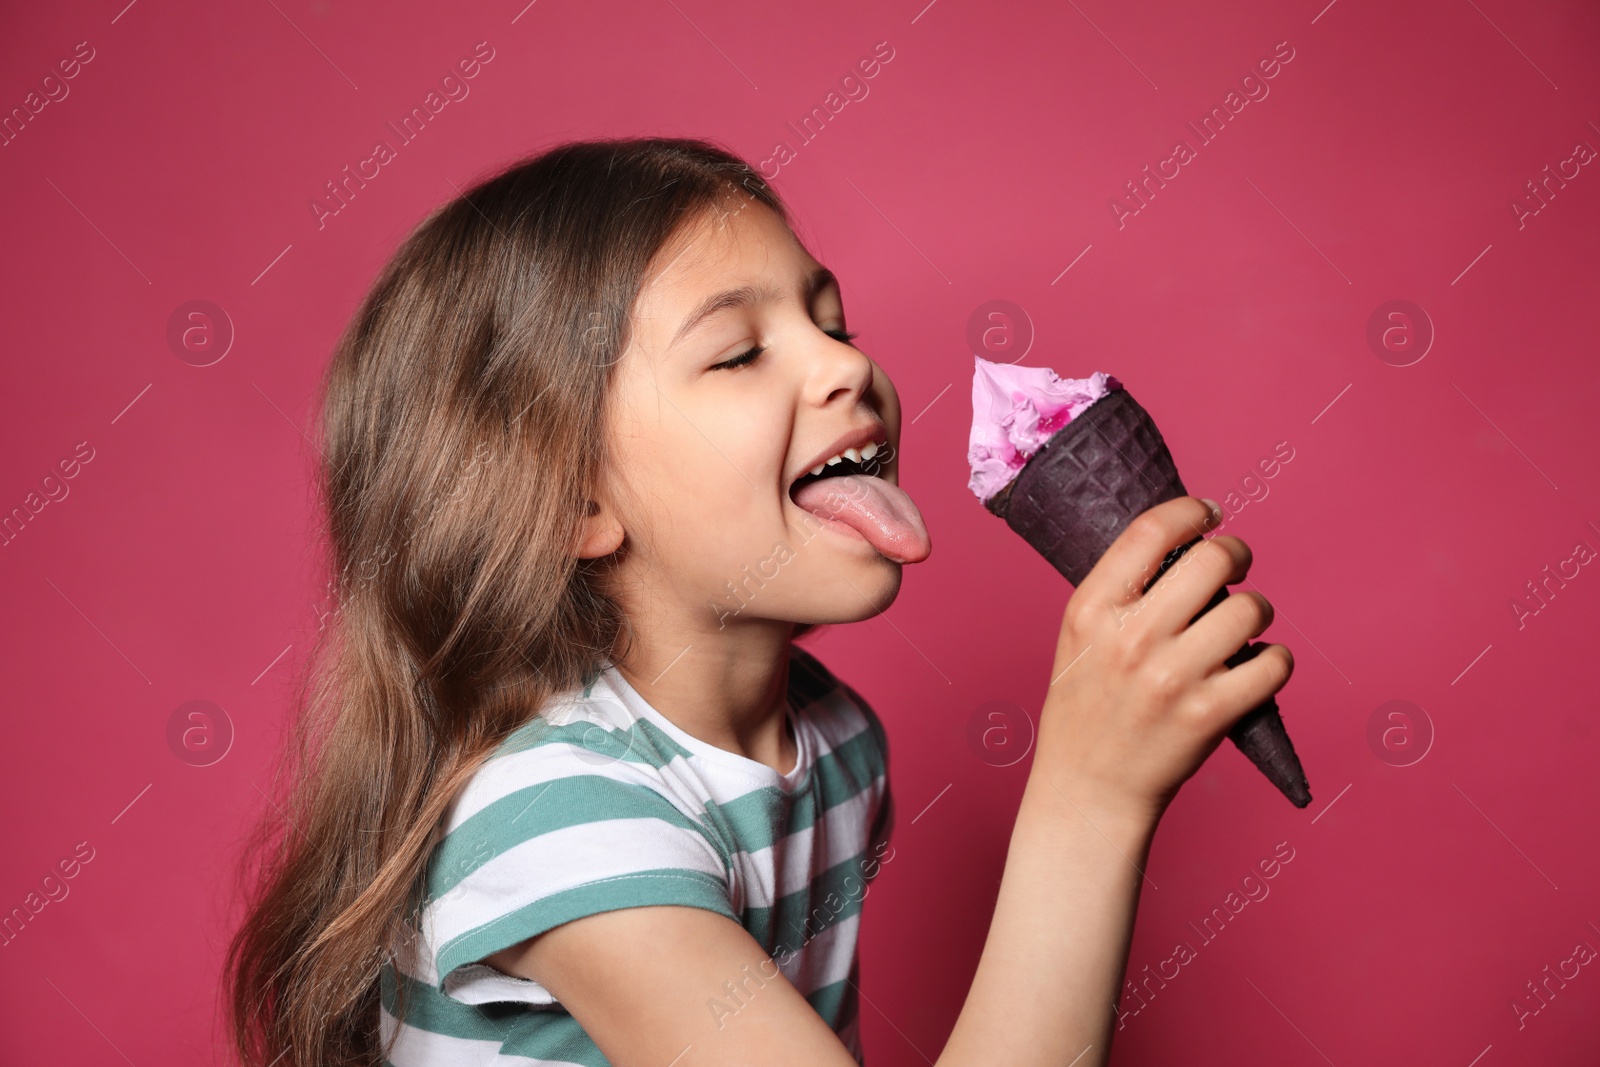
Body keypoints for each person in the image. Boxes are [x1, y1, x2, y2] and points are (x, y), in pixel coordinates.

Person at [223, 136, 1292, 1067]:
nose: (845, 363)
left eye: (835, 321)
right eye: (738, 351)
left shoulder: (832, 742)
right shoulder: (559, 814)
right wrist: (1090, 795)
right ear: (572, 496)